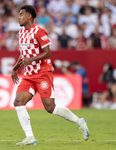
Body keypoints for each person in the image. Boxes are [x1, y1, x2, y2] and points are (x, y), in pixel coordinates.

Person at [11, 5, 90, 146]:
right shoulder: (21, 33)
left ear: (29, 16)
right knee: (18, 102)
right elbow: (23, 54)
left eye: (21, 14)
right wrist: (15, 68)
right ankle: (30, 137)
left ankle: (79, 122)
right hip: (29, 75)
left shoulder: (39, 31)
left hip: (42, 73)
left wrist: (31, 60)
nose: (18, 17)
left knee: (50, 108)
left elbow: (48, 52)